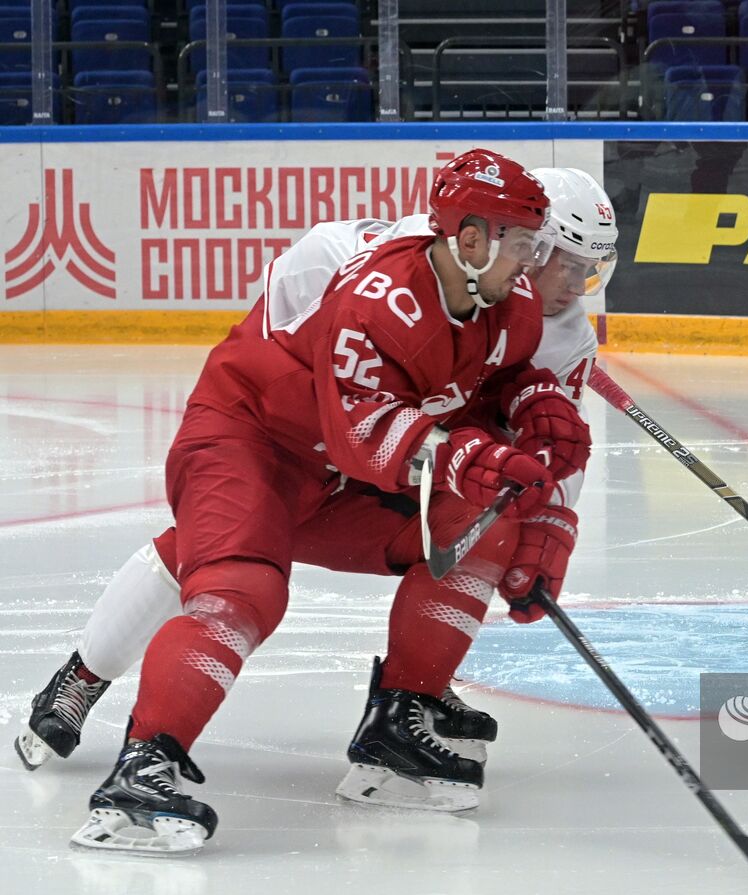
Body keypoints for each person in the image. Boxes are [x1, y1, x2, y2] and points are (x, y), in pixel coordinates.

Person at [52, 149, 594, 856]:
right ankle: (141, 770)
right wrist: (471, 456)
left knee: (485, 525)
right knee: (242, 588)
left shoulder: (511, 301)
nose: (535, 265)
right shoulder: (377, 299)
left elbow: (493, 374)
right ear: (471, 240)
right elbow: (363, 435)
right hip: (250, 443)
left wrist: (536, 402)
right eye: (525, 245)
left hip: (338, 478)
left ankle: (400, 722)